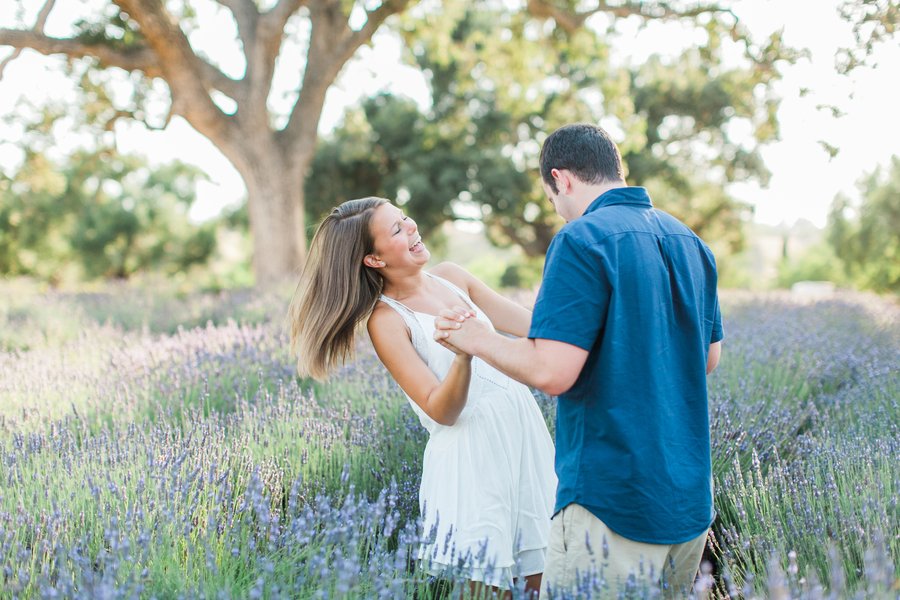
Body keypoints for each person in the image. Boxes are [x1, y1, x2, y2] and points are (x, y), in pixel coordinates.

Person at [434, 123, 723, 598]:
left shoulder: (580, 239)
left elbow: (551, 371)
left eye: (552, 199)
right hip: (687, 500)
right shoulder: (689, 241)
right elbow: (708, 358)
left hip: (610, 501)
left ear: (561, 179)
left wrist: (475, 338)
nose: (558, 210)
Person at [288, 197, 557, 598]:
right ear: (374, 260)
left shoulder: (453, 277)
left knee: (545, 579)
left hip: (523, 438)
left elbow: (534, 327)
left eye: (404, 219)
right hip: (473, 459)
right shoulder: (387, 320)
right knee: (489, 589)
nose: (411, 227)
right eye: (396, 230)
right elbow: (439, 410)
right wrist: (465, 354)